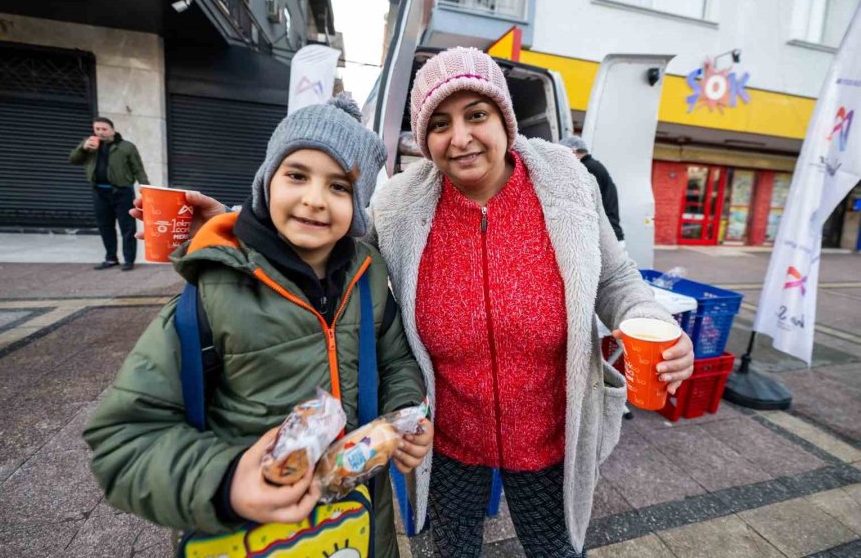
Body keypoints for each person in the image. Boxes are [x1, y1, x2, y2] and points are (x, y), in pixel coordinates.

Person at [133, 48, 695, 557]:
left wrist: (649, 320)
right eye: (440, 124)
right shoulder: (401, 203)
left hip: (550, 432)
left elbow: (615, 277)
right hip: (446, 437)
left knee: (555, 549)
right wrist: (233, 227)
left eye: (476, 114)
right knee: (450, 553)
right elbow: (323, 237)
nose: (460, 137)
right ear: (424, 139)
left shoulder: (566, 182)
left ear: (504, 120)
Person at [84, 95, 434, 558]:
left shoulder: (369, 278)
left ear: (359, 205)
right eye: (296, 175)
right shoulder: (215, 289)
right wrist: (227, 482)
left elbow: (395, 360)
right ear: (267, 181)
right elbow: (122, 441)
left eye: (338, 186)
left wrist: (404, 414)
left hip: (360, 526)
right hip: (250, 537)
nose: (314, 199)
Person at [69, 117, 149, 271]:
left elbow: (138, 169)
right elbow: (73, 160)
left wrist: (147, 189)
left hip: (122, 192)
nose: (100, 132)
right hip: (99, 192)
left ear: (112, 130)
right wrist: (83, 148)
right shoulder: (90, 145)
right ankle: (111, 258)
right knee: (105, 226)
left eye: (104, 129)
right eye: (97, 129)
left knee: (127, 227)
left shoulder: (126, 147)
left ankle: (129, 260)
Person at [559, 135, 625, 244]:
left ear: (573, 151)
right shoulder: (594, 166)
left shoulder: (587, 169)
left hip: (607, 240)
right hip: (610, 236)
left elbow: (583, 204)